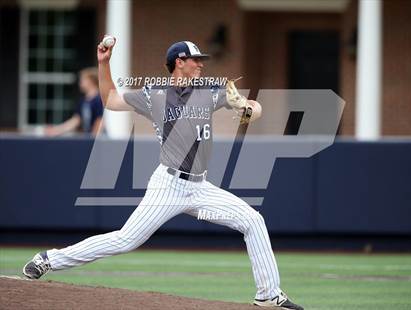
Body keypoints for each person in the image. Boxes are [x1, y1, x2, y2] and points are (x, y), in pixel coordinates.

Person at [23, 39, 303, 309]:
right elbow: (109, 99)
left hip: (200, 188)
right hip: (168, 185)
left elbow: (255, 108)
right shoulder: (153, 94)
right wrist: (104, 63)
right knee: (126, 239)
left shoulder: (209, 90)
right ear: (179, 62)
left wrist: (246, 107)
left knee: (253, 220)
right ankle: (49, 260)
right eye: (196, 60)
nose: (201, 65)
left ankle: (268, 295)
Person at [45, 67, 104, 136]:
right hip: (88, 138)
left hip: (98, 140)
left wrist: (94, 138)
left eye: (82, 80)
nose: (80, 83)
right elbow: (76, 120)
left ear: (91, 81)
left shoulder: (99, 99)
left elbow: (100, 120)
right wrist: (56, 130)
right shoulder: (83, 101)